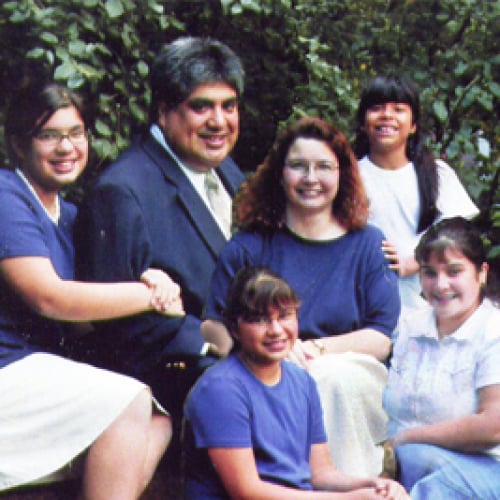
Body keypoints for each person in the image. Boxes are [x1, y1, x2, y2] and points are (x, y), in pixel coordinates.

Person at [0, 82, 182, 497]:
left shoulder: (70, 216)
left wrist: (149, 277)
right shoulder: (6, 196)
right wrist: (150, 297)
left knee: (159, 420)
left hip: (36, 368)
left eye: (76, 133)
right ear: (19, 144)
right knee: (128, 401)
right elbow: (50, 298)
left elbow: (87, 317)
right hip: (6, 367)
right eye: (48, 135)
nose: (66, 147)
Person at [203, 117, 401, 476]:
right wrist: (265, 353)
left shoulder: (368, 245)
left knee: (329, 376)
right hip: (265, 368)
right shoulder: (250, 244)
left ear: (342, 175)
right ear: (280, 175)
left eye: (324, 166)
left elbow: (380, 337)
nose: (311, 178)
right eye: (298, 166)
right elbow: (212, 325)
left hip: (349, 375)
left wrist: (314, 350)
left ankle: (349, 487)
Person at [74, 36, 246, 413]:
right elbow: (123, 327)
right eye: (201, 106)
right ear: (164, 111)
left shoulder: (229, 172)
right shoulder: (121, 190)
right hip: (179, 379)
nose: (219, 122)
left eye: (228, 106)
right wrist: (224, 344)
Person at [184, 266, 408, 499]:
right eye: (260, 320)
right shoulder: (220, 389)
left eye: (284, 316)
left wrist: (373, 485)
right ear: (235, 328)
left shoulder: (301, 380)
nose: (275, 330)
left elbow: (321, 474)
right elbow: (246, 491)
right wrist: (349, 499)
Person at [384, 217, 500, 499]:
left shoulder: (493, 332)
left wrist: (407, 437)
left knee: (428, 477)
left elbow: (493, 427)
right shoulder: (410, 327)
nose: (441, 285)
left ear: (481, 273)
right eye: (430, 273)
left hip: (488, 468)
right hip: (415, 463)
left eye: (454, 271)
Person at [354, 75, 479, 311]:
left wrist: (414, 261)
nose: (387, 115)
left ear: (413, 125)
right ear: (362, 122)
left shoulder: (436, 174)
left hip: (427, 306)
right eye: (377, 108)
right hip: (363, 307)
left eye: (398, 109)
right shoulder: (347, 176)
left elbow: (457, 233)